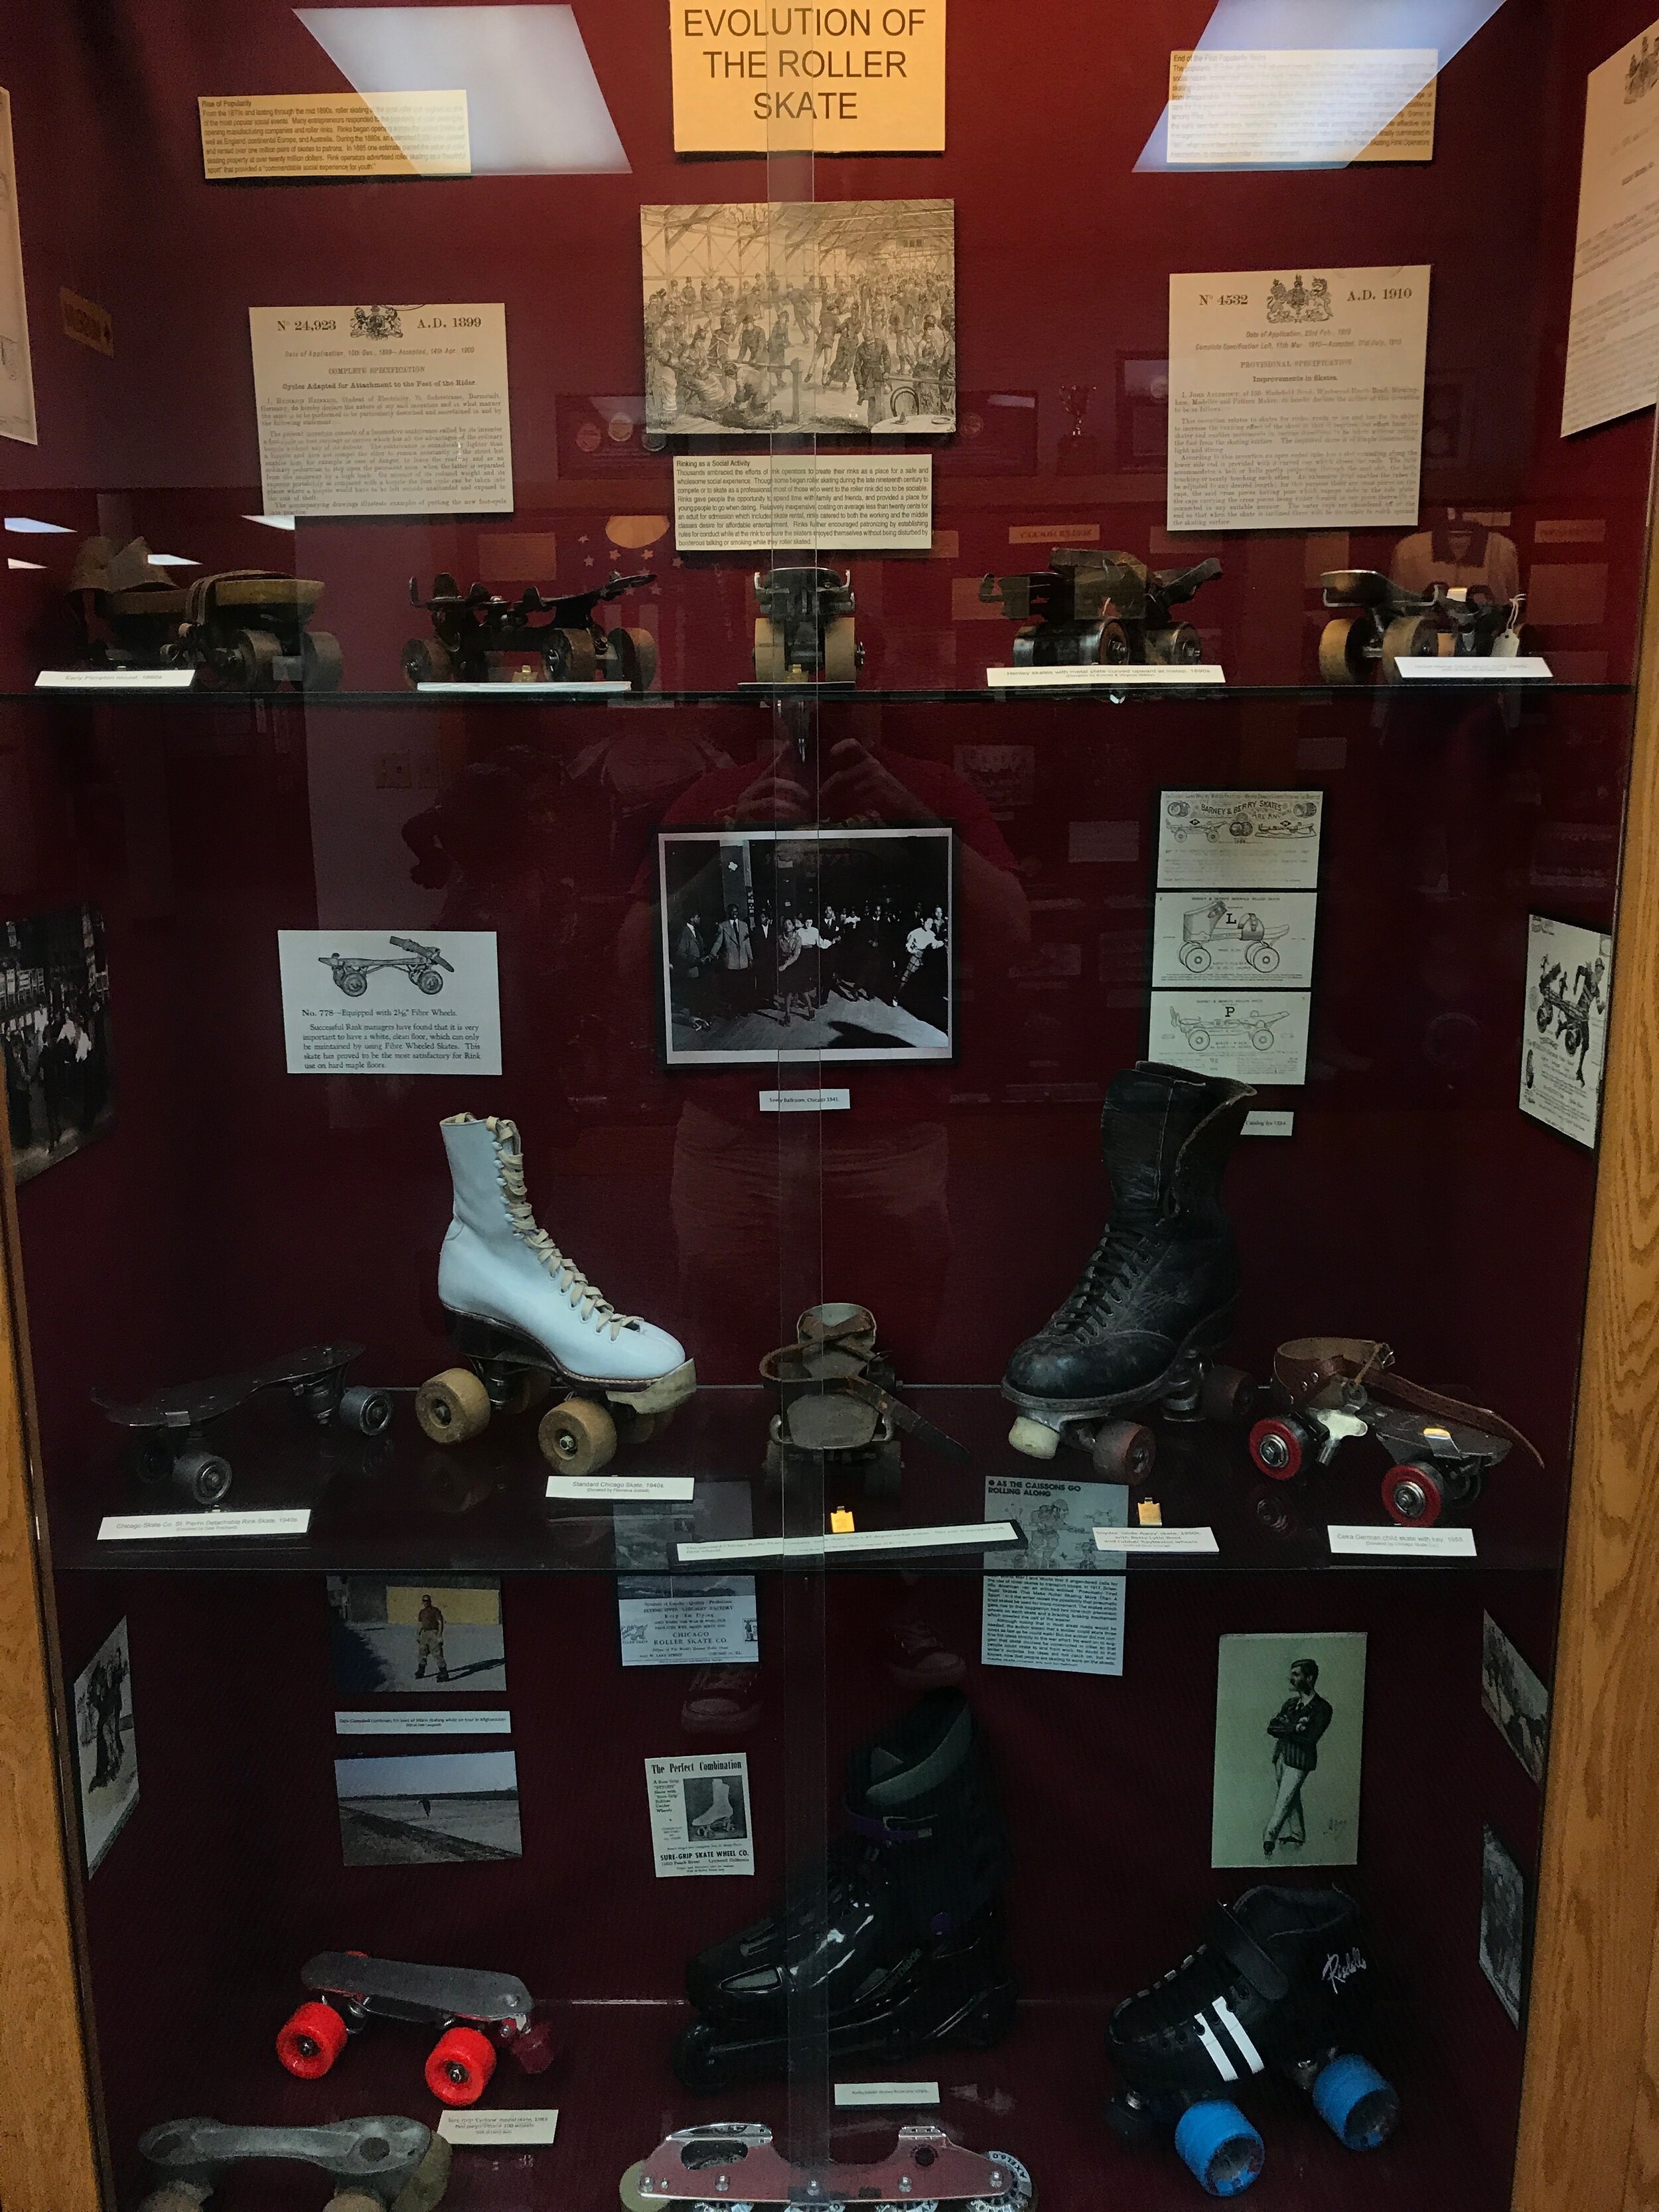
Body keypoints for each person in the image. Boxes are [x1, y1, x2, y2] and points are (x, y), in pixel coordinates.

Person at [1263, 1657, 1332, 1854]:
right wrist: (1295, 1728)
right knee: (1291, 1798)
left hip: (1300, 1760)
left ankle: (1269, 1838)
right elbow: (1272, 1727)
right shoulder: (1291, 1704)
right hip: (1281, 1757)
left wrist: (1287, 1728)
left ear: (1309, 1678)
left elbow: (1310, 1738)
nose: (1290, 1678)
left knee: (1283, 1800)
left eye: (1296, 1674)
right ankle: (1297, 1834)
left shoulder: (1322, 1708)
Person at [415, 1594, 449, 1683]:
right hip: (425, 1634)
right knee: (422, 1653)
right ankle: (421, 1671)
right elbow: (421, 1624)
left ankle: (444, 1673)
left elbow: (440, 1623)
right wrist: (418, 1634)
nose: (426, 1603)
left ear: (430, 1601)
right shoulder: (422, 1612)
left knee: (437, 1653)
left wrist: (439, 1635)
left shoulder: (435, 1611)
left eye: (427, 1601)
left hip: (433, 1633)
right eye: (424, 1601)